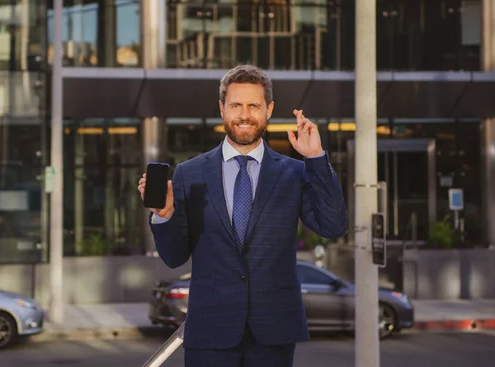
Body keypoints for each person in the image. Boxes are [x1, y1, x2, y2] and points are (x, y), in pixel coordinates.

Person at [138, 64, 348, 367]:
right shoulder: (190, 173)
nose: (245, 114)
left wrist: (315, 157)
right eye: (236, 105)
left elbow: (333, 226)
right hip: (209, 331)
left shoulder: (294, 172)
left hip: (273, 332)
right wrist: (164, 215)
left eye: (254, 105)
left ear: (269, 110)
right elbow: (174, 257)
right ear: (223, 109)